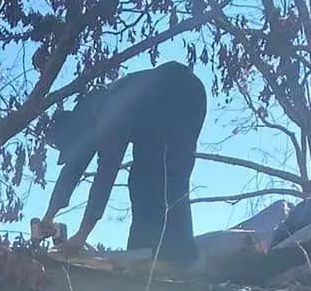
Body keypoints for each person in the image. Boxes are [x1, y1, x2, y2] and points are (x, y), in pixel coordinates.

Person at [40, 61, 207, 261]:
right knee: (169, 176)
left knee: (149, 176)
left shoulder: (108, 115)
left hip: (173, 95)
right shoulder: (91, 113)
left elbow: (105, 177)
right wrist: (48, 217)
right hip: (189, 95)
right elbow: (72, 171)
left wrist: (82, 235)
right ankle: (170, 252)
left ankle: (161, 253)